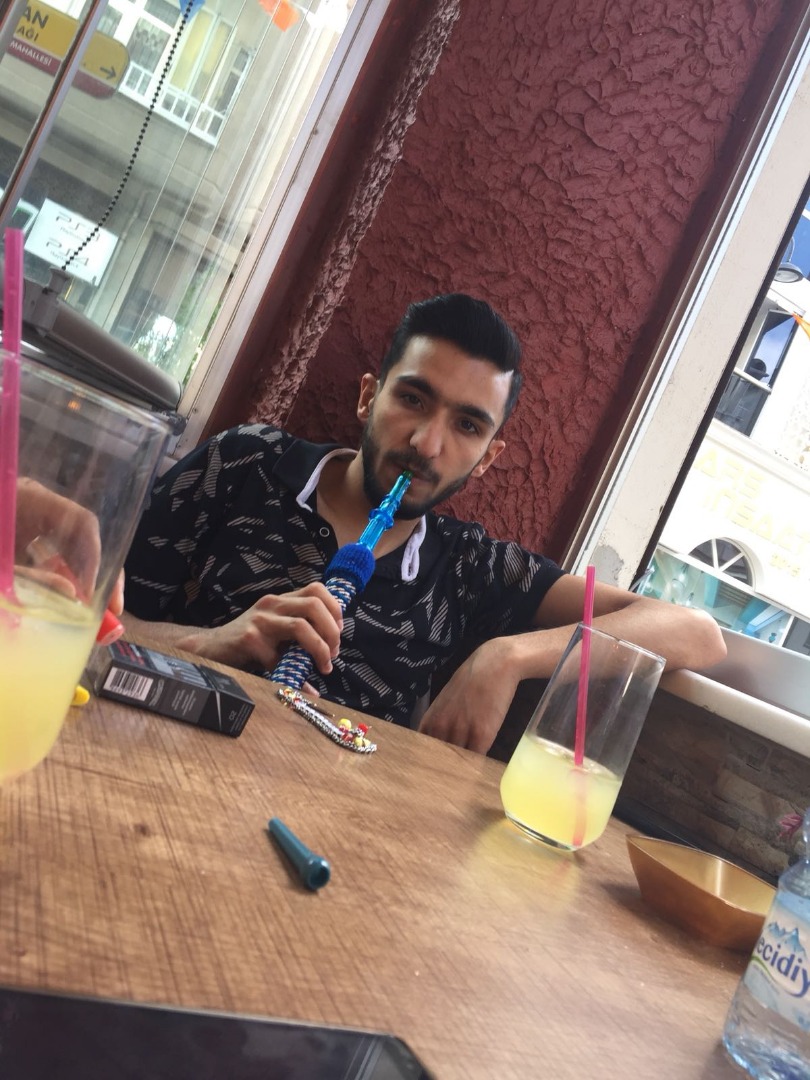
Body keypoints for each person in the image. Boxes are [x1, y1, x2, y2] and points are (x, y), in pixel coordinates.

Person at [123, 294, 726, 753]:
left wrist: (508, 656)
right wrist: (209, 644)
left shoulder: (469, 567)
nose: (426, 444)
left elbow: (696, 631)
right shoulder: (246, 463)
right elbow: (97, 614)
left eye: (467, 426)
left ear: (488, 457)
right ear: (369, 397)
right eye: (412, 399)